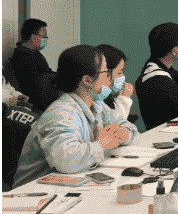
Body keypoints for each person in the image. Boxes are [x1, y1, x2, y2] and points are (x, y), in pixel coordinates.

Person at [12, 45, 138, 188]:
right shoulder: (61, 114)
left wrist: (122, 134)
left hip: (65, 186)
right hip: (33, 193)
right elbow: (67, 161)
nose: (110, 80)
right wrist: (104, 143)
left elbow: (129, 127)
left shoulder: (97, 105)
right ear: (87, 81)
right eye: (105, 73)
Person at [9, 18, 61, 111]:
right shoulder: (22, 58)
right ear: (33, 37)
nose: (45, 40)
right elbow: (37, 85)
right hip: (37, 104)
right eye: (44, 37)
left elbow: (47, 73)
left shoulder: (35, 53)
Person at [96, 45, 135, 120]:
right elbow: (113, 123)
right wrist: (124, 98)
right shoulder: (95, 99)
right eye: (119, 72)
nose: (122, 77)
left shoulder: (108, 97)